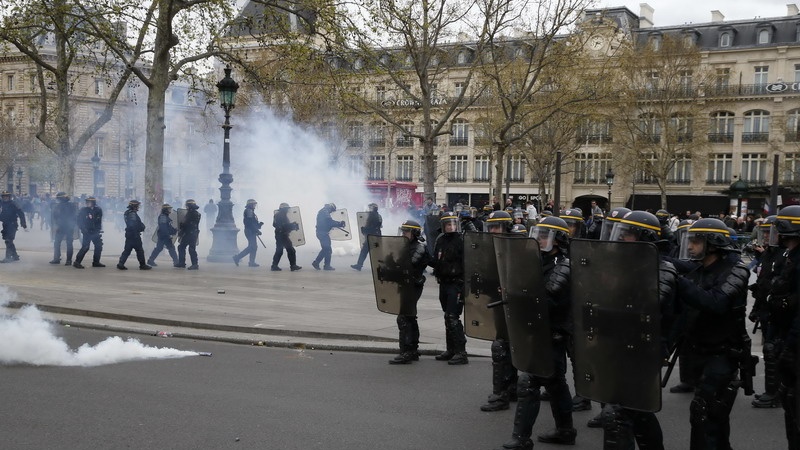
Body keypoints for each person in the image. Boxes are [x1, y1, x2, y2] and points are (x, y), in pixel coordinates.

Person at [597, 210, 678, 449]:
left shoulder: (663, 269)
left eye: (628, 234)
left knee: (620, 412)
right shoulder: (622, 266)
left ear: (644, 238)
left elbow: (646, 306)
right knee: (637, 411)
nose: (621, 238)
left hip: (645, 347)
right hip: (619, 344)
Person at [496, 216, 575, 449]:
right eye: (538, 234)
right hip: (538, 328)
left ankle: (521, 438)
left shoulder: (563, 264)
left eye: (544, 235)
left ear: (558, 239)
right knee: (555, 383)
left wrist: (516, 294)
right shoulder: (536, 260)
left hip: (553, 331)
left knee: (529, 382)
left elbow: (547, 298)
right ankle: (566, 430)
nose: (539, 239)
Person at [675, 218, 752, 449]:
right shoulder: (700, 268)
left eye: (696, 242)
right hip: (700, 351)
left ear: (713, 243)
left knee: (705, 414)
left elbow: (716, 303)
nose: (690, 247)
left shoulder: (736, 271)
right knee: (712, 420)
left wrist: (680, 283)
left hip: (723, 355)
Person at [480, 210, 519, 412]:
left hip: (512, 304)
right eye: (491, 226)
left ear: (506, 226)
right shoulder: (492, 246)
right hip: (497, 303)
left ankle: (501, 395)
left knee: (502, 348)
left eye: (497, 226)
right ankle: (510, 389)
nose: (493, 230)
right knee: (505, 347)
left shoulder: (516, 246)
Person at [747, 215, 785, 408]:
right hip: (766, 309)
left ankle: (775, 393)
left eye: (773, 232)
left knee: (774, 351)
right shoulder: (769, 253)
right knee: (769, 350)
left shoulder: (784, 255)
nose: (770, 236)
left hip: (778, 311)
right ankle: (773, 390)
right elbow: (763, 283)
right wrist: (756, 308)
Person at [388, 219, 430, 364]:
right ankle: (412, 350)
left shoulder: (419, 248)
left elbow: (409, 265)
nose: (404, 233)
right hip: (404, 285)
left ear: (415, 233)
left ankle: (406, 351)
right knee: (410, 317)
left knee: (404, 317)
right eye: (403, 231)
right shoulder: (403, 246)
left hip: (413, 286)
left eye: (407, 231)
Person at [429, 213, 468, 365]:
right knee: (447, 316)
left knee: (453, 317)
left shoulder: (462, 240)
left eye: (453, 224)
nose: (451, 227)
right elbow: (437, 261)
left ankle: (461, 352)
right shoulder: (441, 240)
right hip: (444, 282)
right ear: (443, 226)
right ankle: (451, 349)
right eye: (448, 224)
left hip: (456, 283)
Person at [117, 200, 151, 270]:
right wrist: (141, 227)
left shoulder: (127, 212)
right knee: (139, 250)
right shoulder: (132, 214)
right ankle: (142, 265)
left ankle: (121, 263)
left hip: (129, 234)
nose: (138, 207)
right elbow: (133, 225)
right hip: (134, 235)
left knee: (127, 250)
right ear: (134, 206)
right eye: (137, 206)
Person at [73, 196, 104, 269]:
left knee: (99, 246)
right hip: (87, 231)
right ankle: (77, 262)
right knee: (85, 247)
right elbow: (79, 221)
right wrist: (83, 229)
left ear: (93, 203)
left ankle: (96, 262)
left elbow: (99, 221)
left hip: (95, 231)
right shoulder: (83, 210)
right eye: (87, 202)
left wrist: (99, 229)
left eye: (89, 202)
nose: (87, 203)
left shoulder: (98, 210)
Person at [311, 203, 344, 271]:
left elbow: (328, 222)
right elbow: (329, 222)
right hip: (323, 233)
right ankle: (325, 265)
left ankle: (317, 263)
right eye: (332, 210)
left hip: (322, 233)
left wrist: (338, 224)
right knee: (328, 250)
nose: (332, 212)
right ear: (330, 207)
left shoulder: (323, 211)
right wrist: (339, 223)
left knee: (325, 249)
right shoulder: (325, 212)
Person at [271, 202, 302, 271]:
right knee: (291, 250)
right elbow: (283, 226)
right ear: (283, 209)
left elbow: (276, 225)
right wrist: (292, 226)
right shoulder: (281, 215)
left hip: (280, 234)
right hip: (282, 235)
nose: (287, 210)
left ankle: (274, 265)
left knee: (280, 251)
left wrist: (291, 225)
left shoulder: (278, 215)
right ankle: (293, 265)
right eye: (286, 209)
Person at [233, 199, 264, 268]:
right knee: (252, 247)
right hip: (250, 231)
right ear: (250, 205)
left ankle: (251, 262)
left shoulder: (251, 211)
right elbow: (249, 223)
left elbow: (252, 223)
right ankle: (237, 257)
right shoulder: (249, 211)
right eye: (254, 204)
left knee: (254, 247)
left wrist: (259, 225)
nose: (255, 206)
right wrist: (256, 230)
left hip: (251, 230)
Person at [351, 203, 381, 271]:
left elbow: (371, 227)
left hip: (372, 236)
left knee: (365, 251)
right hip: (377, 236)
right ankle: (379, 266)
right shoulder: (378, 215)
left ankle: (359, 265)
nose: (369, 209)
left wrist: (363, 229)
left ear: (373, 208)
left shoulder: (372, 215)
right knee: (375, 252)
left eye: (370, 207)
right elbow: (379, 226)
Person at [147, 203, 178, 267]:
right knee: (171, 248)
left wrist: (174, 230)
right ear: (165, 210)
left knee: (159, 248)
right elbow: (163, 227)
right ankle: (176, 262)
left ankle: (150, 260)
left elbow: (168, 227)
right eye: (169, 209)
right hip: (164, 236)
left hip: (164, 236)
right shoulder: (163, 217)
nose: (170, 210)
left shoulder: (165, 216)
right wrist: (168, 235)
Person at [50, 192, 76, 265]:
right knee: (69, 244)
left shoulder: (59, 206)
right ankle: (68, 260)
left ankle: (57, 259)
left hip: (62, 227)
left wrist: (57, 225)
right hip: (68, 227)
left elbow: (55, 216)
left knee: (57, 243)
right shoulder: (72, 205)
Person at [0, 191, 27, 263]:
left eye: (7, 196)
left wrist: (23, 223)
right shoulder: (2, 203)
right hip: (5, 224)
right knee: (8, 241)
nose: (5, 197)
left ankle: (8, 257)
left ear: (9, 197)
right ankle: (15, 256)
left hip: (12, 224)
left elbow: (21, 213)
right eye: (4, 196)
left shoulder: (14, 203)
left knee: (8, 240)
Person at [176, 199, 201, 270]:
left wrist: (182, 225)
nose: (186, 207)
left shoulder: (192, 213)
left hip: (190, 234)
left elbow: (188, 224)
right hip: (190, 233)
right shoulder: (194, 213)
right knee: (181, 247)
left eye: (187, 205)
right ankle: (182, 263)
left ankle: (194, 264)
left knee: (191, 249)